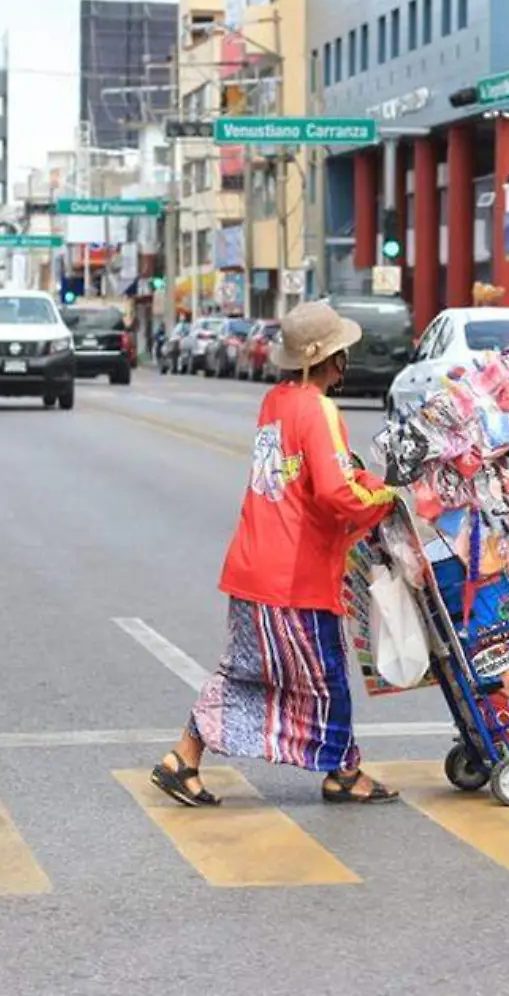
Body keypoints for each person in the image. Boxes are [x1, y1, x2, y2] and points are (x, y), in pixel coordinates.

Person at [150, 300, 401, 808]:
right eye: (341, 354)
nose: (344, 362)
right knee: (327, 678)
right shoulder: (318, 409)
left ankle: (183, 757)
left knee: (244, 671)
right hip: (294, 576)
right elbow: (334, 492)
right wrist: (386, 498)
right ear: (329, 361)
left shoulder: (276, 402)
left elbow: (304, 474)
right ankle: (344, 773)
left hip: (253, 566)